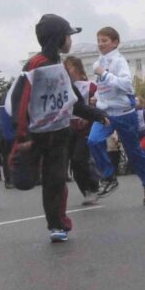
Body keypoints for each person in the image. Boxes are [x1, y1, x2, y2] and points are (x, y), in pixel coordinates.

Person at [7, 14, 108, 242]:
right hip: (37, 133)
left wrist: (96, 114)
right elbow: (19, 98)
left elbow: (72, 100)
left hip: (60, 134)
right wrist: (21, 133)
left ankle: (57, 225)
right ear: (58, 38)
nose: (70, 40)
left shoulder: (59, 67)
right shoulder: (36, 65)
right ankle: (17, 160)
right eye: (68, 35)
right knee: (25, 180)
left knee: (56, 180)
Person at [86, 26, 145, 203]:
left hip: (124, 114)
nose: (100, 44)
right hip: (106, 113)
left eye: (105, 41)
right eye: (99, 41)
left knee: (133, 152)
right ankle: (109, 177)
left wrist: (105, 73)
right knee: (93, 140)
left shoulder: (119, 61)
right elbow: (103, 86)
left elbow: (126, 86)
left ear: (115, 42)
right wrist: (95, 98)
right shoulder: (99, 61)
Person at [63, 56, 103, 203]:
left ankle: (93, 187)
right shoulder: (63, 86)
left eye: (69, 67)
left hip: (85, 129)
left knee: (79, 158)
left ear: (78, 69)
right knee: (73, 163)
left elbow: (99, 102)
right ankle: (86, 190)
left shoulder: (89, 86)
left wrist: (89, 113)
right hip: (68, 129)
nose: (66, 71)